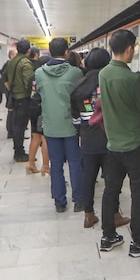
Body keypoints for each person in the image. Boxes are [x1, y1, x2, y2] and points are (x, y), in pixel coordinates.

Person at [99, 29, 140, 257]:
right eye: (133, 48)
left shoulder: (104, 74)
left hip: (113, 145)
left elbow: (123, 94)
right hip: (135, 146)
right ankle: (139, 241)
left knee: (111, 190)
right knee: (138, 193)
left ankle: (108, 237)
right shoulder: (132, 79)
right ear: (128, 49)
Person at [71, 47, 130, 229]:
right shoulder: (109, 83)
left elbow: (76, 118)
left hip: (88, 139)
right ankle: (114, 215)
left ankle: (89, 215)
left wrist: (82, 132)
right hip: (109, 138)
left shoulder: (78, 87)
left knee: (88, 178)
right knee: (112, 180)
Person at [35, 38, 84, 212]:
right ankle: (79, 201)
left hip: (50, 126)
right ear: (67, 52)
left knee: (55, 165)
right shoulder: (75, 73)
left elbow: (38, 95)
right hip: (70, 125)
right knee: (75, 162)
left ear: (49, 52)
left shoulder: (39, 73)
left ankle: (60, 203)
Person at [4, 40, 33, 162]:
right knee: (21, 126)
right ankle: (20, 153)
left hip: (15, 97)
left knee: (17, 125)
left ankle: (17, 150)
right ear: (28, 50)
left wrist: (11, 88)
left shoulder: (12, 62)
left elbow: (4, 77)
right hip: (23, 98)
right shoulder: (25, 63)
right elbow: (29, 82)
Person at [27, 47, 49, 175]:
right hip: (42, 108)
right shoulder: (45, 77)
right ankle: (45, 166)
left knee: (35, 137)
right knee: (45, 138)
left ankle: (30, 164)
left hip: (32, 108)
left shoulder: (32, 77)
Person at [2, 48, 18, 138]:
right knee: (11, 111)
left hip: (11, 91)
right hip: (10, 92)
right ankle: (11, 131)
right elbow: (4, 78)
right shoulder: (9, 65)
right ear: (11, 55)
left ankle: (13, 130)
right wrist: (10, 89)